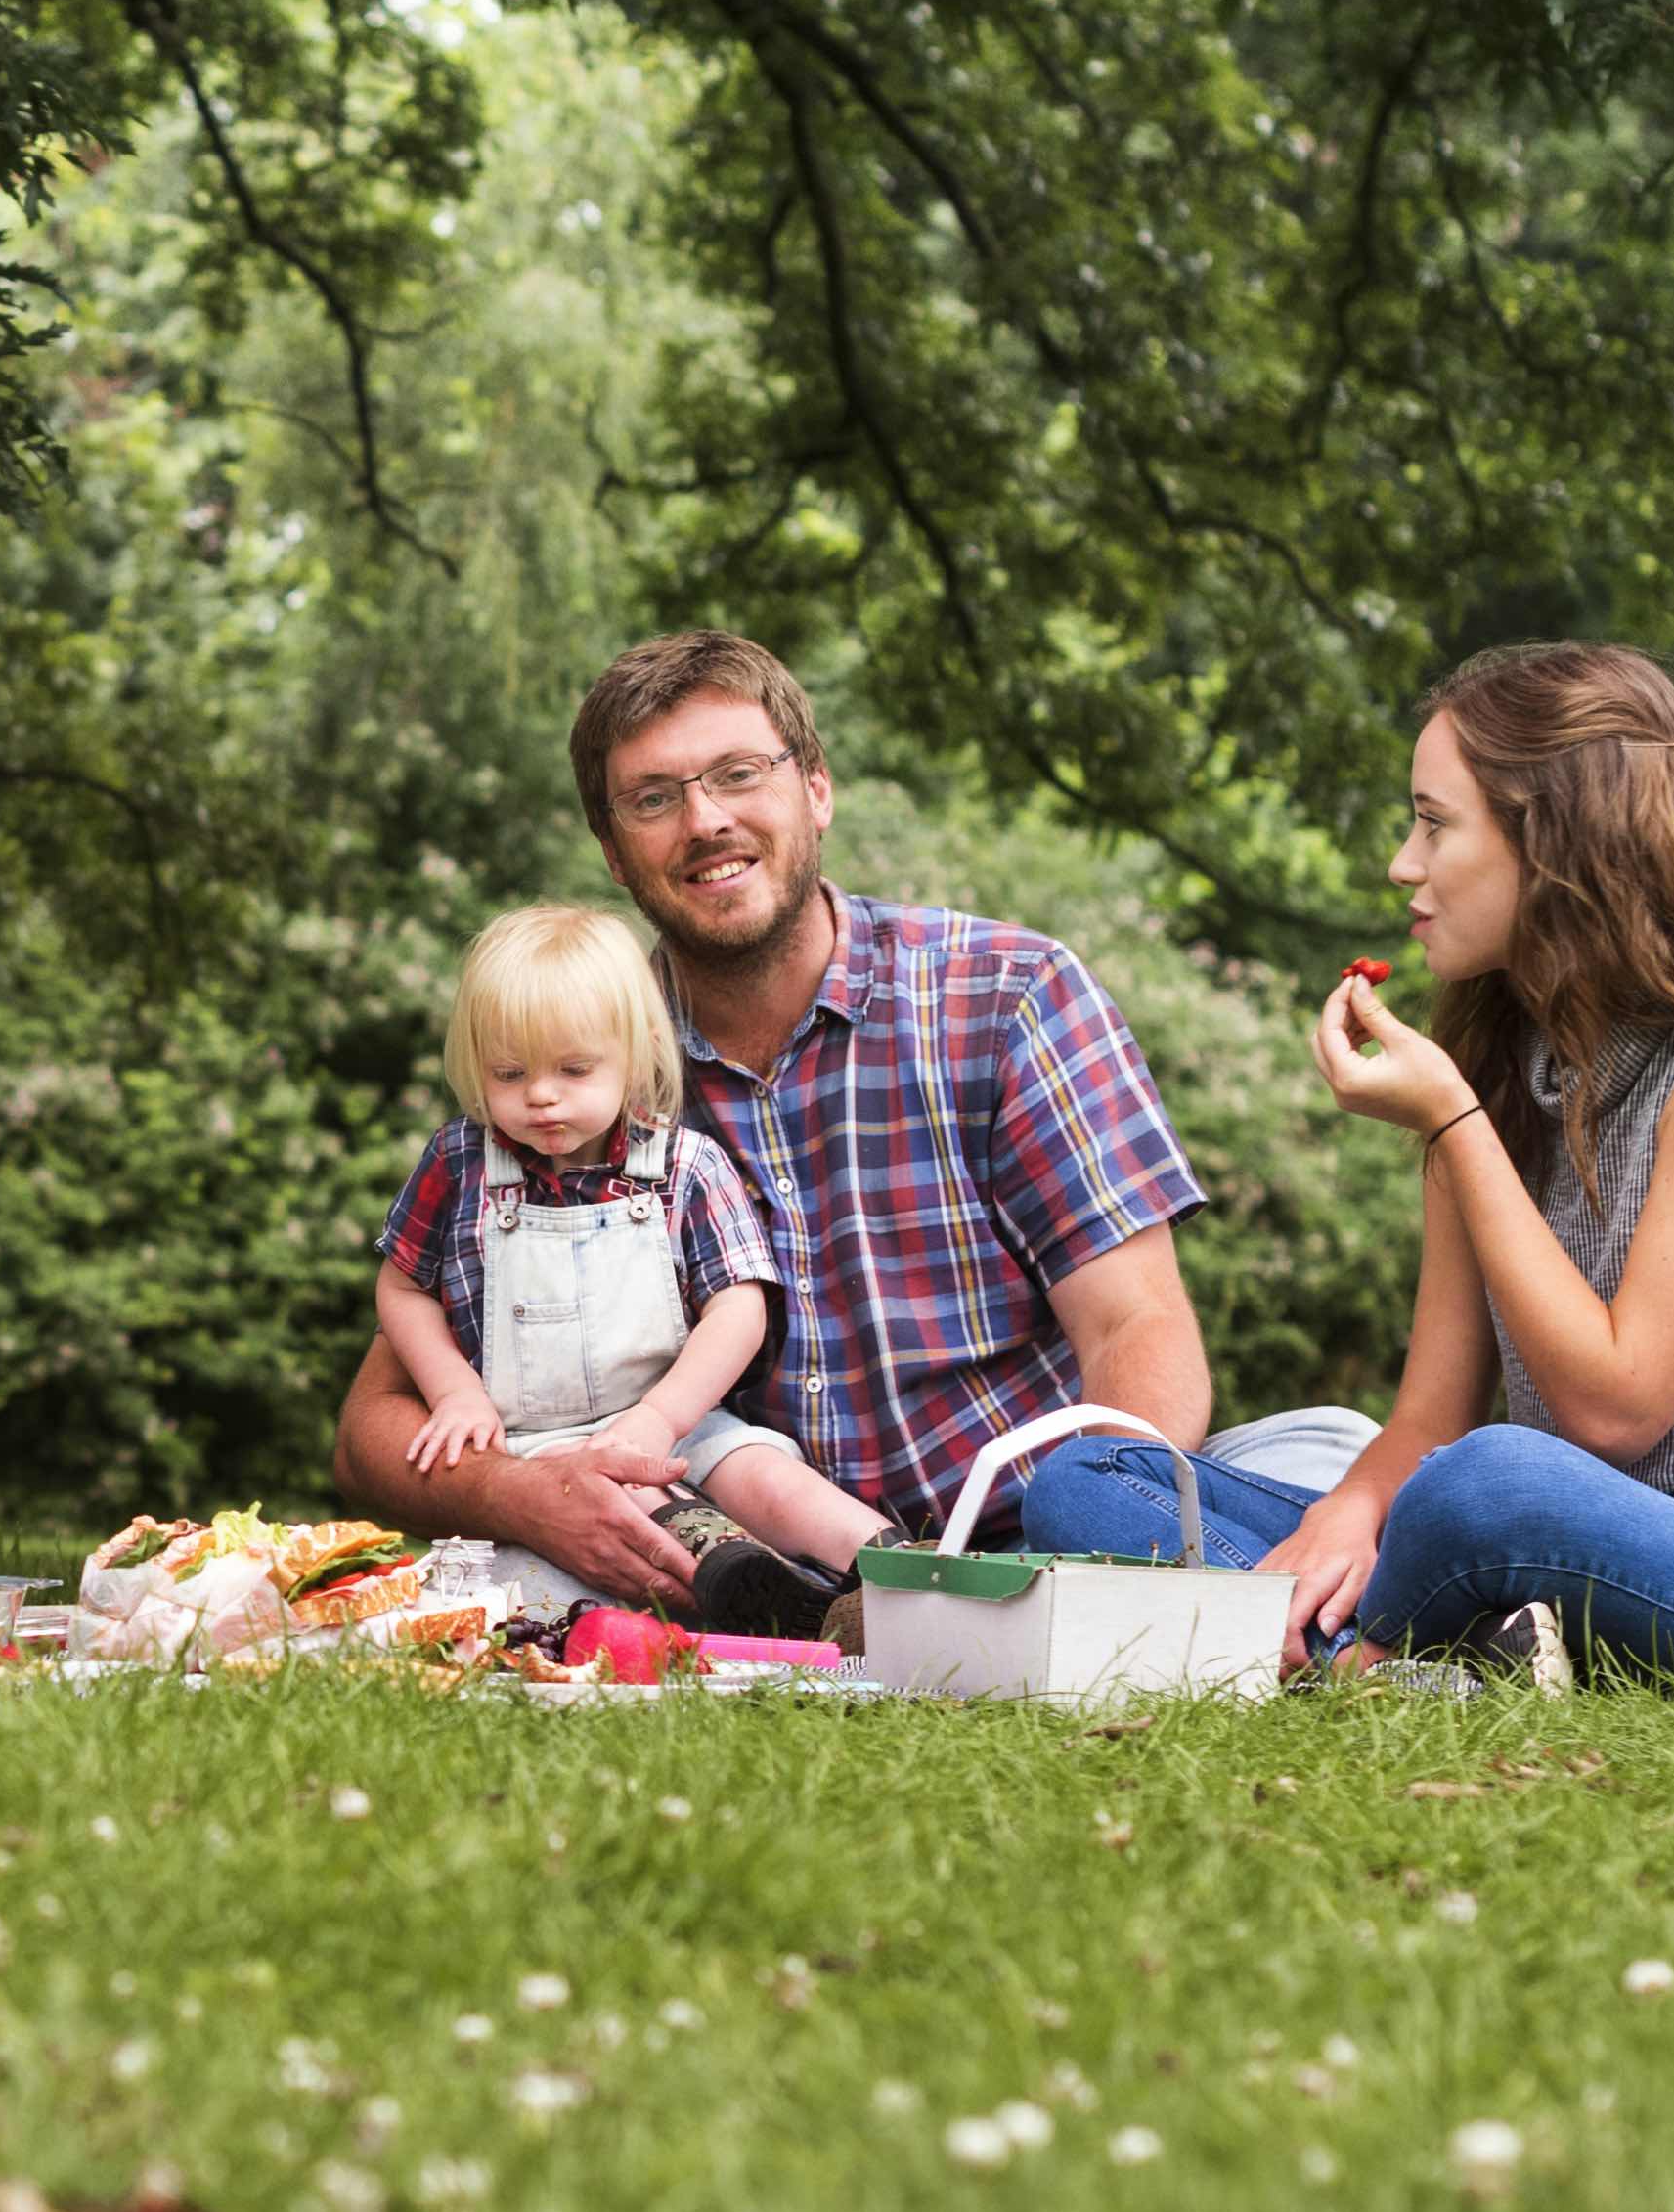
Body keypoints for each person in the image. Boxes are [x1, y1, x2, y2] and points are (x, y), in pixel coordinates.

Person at [1101, 641, 1674, 1684]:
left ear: (1556, 841)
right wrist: (1343, 1517)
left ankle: (1332, 1657)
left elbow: (1614, 1410)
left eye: (1433, 822)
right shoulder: (1503, 1057)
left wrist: (1453, 1124)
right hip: (1555, 1571)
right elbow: (1425, 1416)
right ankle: (1419, 1657)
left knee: (1486, 1483)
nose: (1401, 864)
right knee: (1095, 1476)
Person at [341, 632, 1232, 1599]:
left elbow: (1135, 1329)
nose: (703, 820)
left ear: (816, 788)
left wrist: (1077, 1569)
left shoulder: (1006, 995)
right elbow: (371, 1430)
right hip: (749, 1571)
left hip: (1023, 1533)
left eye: (738, 773)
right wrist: (522, 1495)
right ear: (610, 850)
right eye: (653, 798)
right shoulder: (575, 1070)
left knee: (1316, 1452)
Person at [370, 902, 887, 1604]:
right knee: (624, 1518)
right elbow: (403, 1289)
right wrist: (453, 1392)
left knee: (766, 1475)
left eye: (574, 1069)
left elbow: (741, 1307)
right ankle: (762, 1598)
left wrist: (659, 1418)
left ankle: (898, 1564)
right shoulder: (460, 1163)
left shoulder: (684, 1166)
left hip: (675, 1420)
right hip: (533, 1446)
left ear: (635, 1050)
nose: (543, 1097)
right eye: (510, 1074)